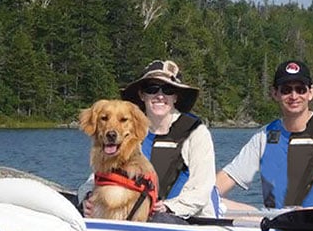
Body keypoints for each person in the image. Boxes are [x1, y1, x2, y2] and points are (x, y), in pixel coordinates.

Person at [81, 60, 220, 222]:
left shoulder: (196, 132)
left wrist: (169, 207)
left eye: (168, 90)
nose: (160, 96)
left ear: (176, 96)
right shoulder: (129, 132)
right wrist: (87, 196)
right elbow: (102, 174)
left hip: (186, 217)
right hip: (139, 215)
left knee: (159, 219)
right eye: (152, 89)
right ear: (142, 95)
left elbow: (202, 188)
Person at [215, 59, 313, 211]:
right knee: (215, 202)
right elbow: (230, 175)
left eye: (300, 89)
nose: (294, 96)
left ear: (310, 92)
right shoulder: (264, 136)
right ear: (275, 93)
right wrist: (203, 196)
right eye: (286, 90)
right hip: (275, 221)